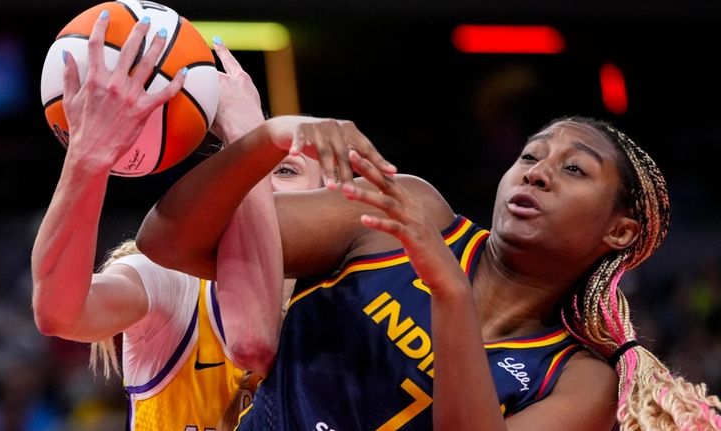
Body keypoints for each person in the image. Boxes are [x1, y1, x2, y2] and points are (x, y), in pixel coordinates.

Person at [135, 112, 721, 427]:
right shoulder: (410, 211)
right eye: (529, 156)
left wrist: (450, 294)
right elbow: (170, 241)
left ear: (618, 232)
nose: (536, 173)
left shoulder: (579, 382)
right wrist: (268, 138)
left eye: (574, 170)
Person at [29, 12, 309, 430]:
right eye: (240, 170)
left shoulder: (355, 301)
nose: (257, 182)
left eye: (284, 171)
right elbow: (59, 313)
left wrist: (247, 136)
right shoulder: (172, 281)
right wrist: (88, 159)